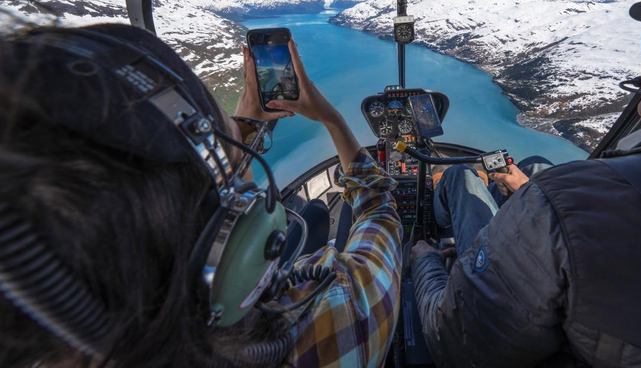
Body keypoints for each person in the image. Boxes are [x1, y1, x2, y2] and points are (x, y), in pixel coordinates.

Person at [0, 21, 402, 368]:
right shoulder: (336, 321)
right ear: (221, 240)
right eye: (234, 169)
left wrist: (240, 130)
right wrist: (331, 118)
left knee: (311, 211)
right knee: (315, 213)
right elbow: (381, 210)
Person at [412, 0, 641, 367]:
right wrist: (537, 196)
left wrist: (425, 261)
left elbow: (455, 341)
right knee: (536, 168)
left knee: (463, 178)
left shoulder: (572, 198)